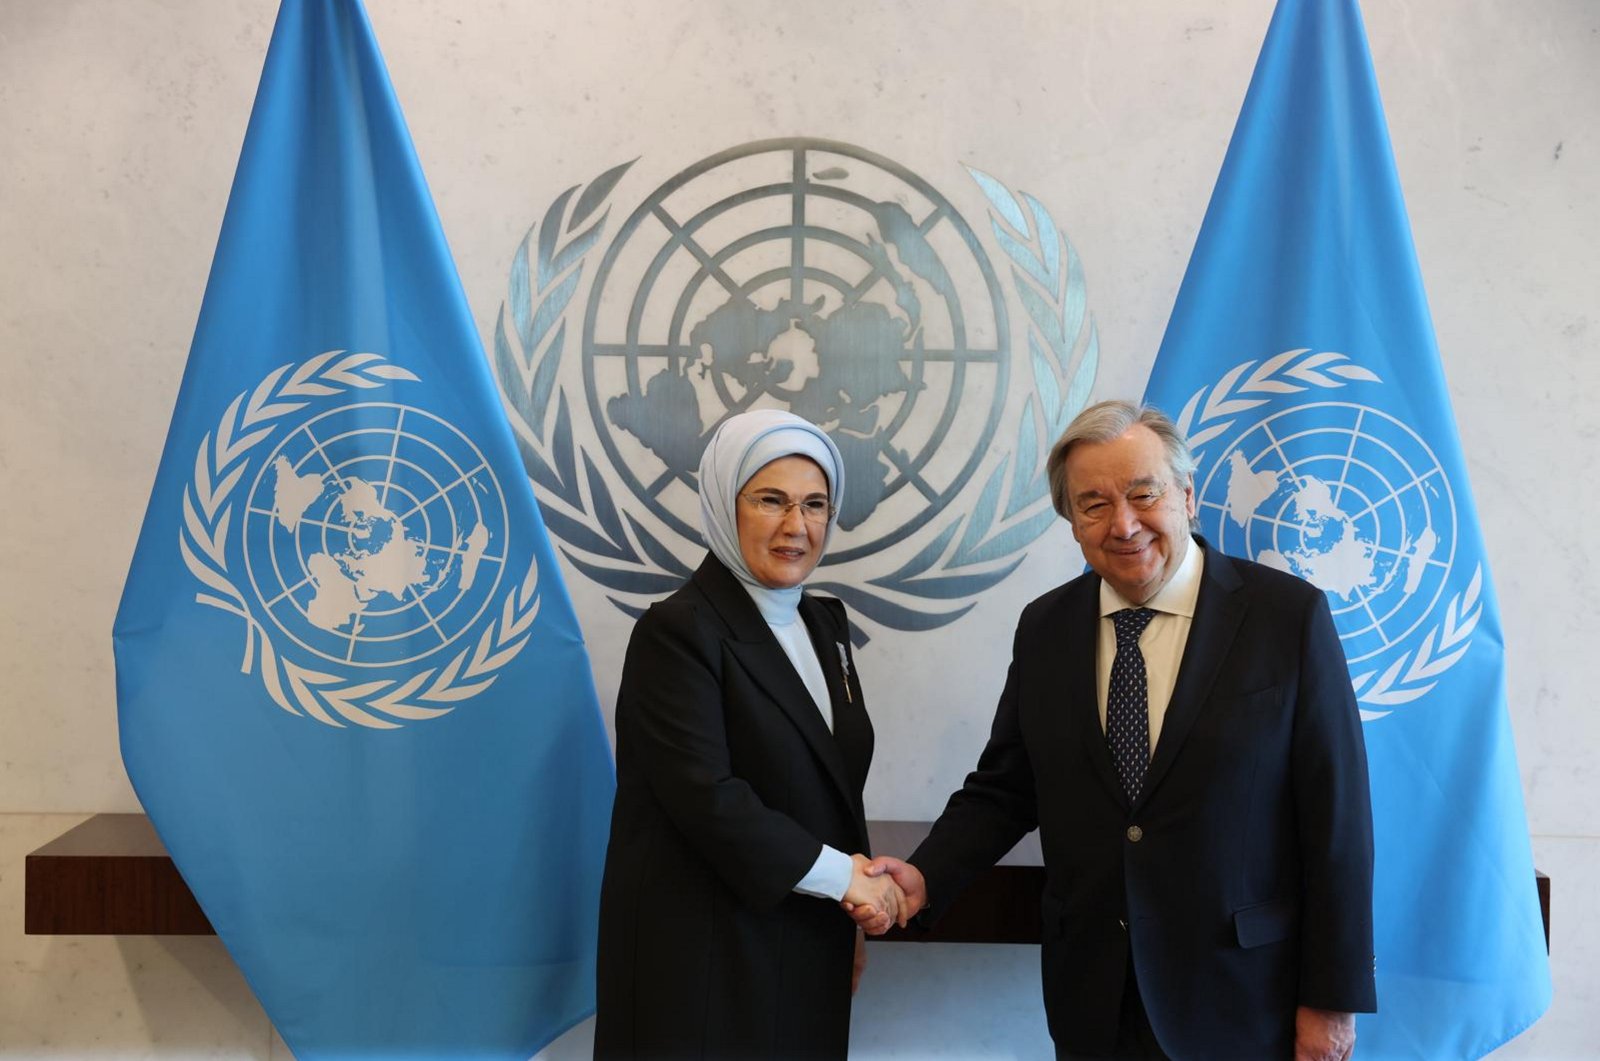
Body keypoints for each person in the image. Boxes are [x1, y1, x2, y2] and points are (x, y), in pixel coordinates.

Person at [854, 400, 1375, 1060]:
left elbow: (1339, 824)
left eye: (1142, 493)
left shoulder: (1285, 619)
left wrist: (1331, 1001)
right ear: (1071, 522)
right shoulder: (1046, 628)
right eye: (1093, 503)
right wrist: (924, 875)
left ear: (1187, 496)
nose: (1123, 523)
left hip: (1245, 998)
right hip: (1095, 995)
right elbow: (1005, 789)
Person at [594, 409, 903, 1060]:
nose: (798, 526)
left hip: (805, 938)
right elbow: (708, 797)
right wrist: (844, 880)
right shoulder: (678, 631)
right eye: (771, 500)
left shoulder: (826, 623)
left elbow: (834, 784)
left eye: (816, 503)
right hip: (706, 963)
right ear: (722, 503)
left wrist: (850, 920)